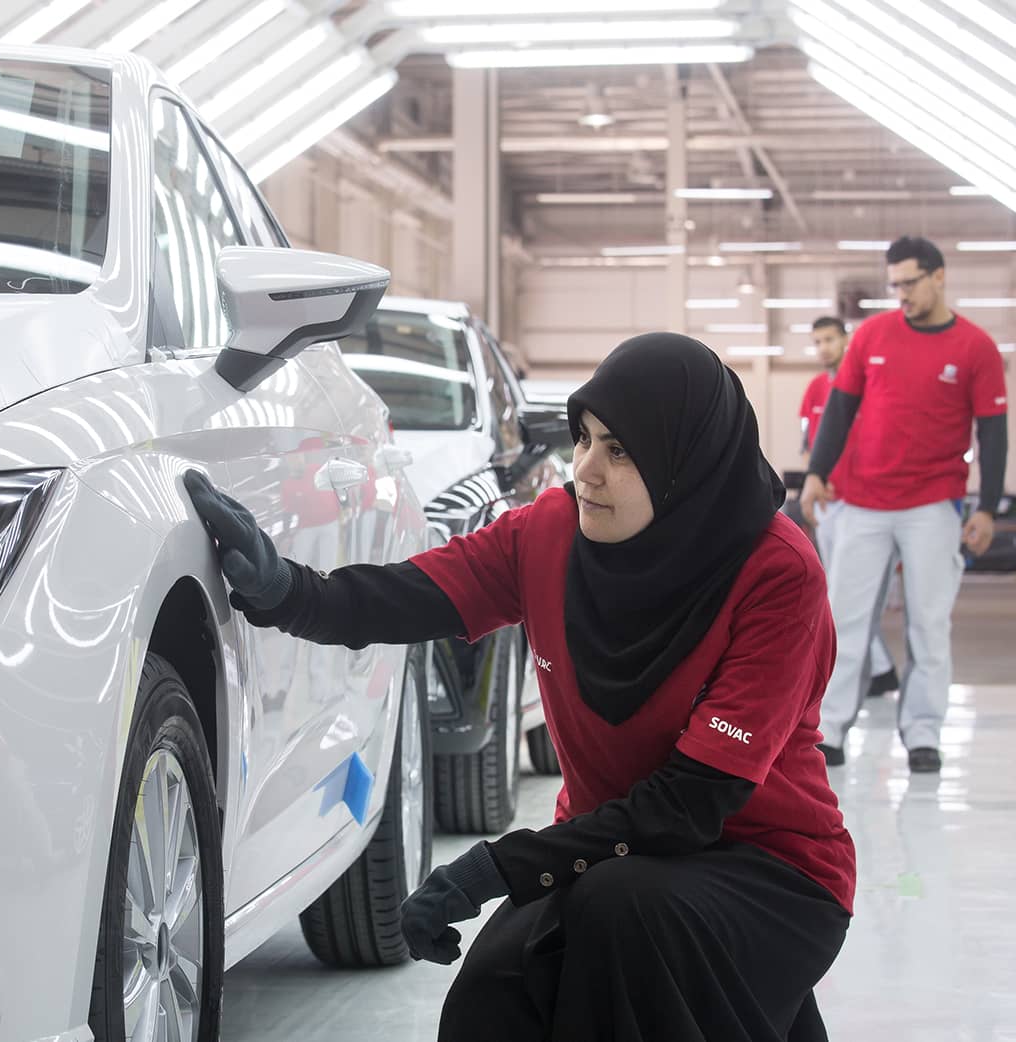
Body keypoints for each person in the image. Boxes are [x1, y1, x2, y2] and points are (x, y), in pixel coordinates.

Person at [188, 333, 854, 1042]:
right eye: (584, 439)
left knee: (623, 916)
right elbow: (411, 596)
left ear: (684, 465)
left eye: (621, 451)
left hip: (771, 870)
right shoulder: (550, 535)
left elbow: (692, 805)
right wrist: (287, 591)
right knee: (493, 996)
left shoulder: (777, 573)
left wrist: (494, 867)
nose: (587, 471)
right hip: (608, 861)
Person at [801, 237, 1009, 773]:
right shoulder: (872, 335)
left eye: (910, 283)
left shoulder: (975, 348)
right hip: (862, 504)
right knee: (844, 621)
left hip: (933, 506)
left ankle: (922, 734)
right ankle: (830, 731)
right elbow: (839, 412)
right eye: (894, 284)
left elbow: (992, 433)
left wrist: (986, 507)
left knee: (928, 624)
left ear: (939, 277)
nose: (901, 294)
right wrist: (817, 474)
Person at [800, 315, 900, 698]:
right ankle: (881, 671)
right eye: (817, 341)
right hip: (828, 503)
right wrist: (815, 476)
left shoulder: (870, 387)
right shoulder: (814, 390)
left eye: (830, 339)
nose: (824, 347)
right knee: (839, 595)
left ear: (847, 341)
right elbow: (811, 441)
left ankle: (876, 671)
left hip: (865, 503)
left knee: (851, 595)